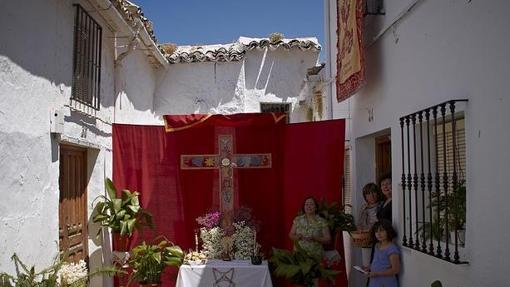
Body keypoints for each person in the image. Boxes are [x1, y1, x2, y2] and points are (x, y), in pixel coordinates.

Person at [289, 197, 331, 261]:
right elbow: (290, 235)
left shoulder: (322, 221)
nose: (309, 206)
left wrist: (316, 238)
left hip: (315, 256)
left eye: (311, 204)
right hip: (299, 255)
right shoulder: (298, 220)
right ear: (304, 207)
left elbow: (328, 239)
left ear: (316, 207)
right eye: (306, 204)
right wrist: (297, 236)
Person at [366, 220, 400, 287]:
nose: (378, 234)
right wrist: (368, 267)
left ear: (388, 231)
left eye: (381, 231)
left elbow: (396, 270)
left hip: (386, 282)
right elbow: (377, 261)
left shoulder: (392, 249)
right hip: (374, 281)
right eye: (376, 231)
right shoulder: (377, 245)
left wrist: (377, 274)